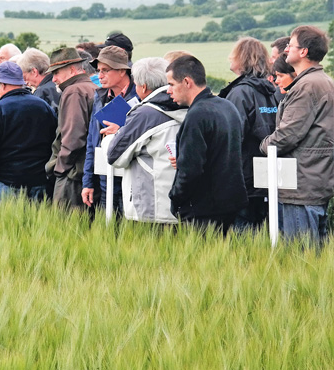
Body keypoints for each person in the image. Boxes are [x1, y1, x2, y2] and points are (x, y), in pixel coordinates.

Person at [259, 25, 334, 243]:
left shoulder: (307, 86)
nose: (285, 51)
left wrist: (264, 145)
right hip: (316, 179)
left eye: (290, 46)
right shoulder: (324, 81)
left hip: (300, 185)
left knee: (299, 255)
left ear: (303, 52)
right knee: (315, 260)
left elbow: (286, 136)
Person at [166, 55, 247, 233]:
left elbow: (191, 169)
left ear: (187, 82)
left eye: (171, 84)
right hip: (231, 204)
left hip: (202, 210)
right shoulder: (227, 106)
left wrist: (176, 198)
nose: (168, 91)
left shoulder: (197, 114)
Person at [105, 57, 187, 223]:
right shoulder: (190, 105)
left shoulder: (145, 115)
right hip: (184, 205)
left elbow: (115, 156)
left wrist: (116, 134)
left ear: (143, 86)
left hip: (150, 208)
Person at [218, 37, 278, 229]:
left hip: (243, 178)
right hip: (265, 177)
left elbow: (233, 136)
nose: (229, 57)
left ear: (243, 59)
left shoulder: (240, 93)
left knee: (242, 235)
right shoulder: (271, 92)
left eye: (233, 54)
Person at [0, 62, 56, 201]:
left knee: (10, 223)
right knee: (37, 223)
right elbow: (54, 141)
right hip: (40, 182)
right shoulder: (43, 106)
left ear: (3, 85)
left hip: (7, 183)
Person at [81, 45, 139, 212]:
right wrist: (88, 182)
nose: (100, 75)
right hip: (105, 178)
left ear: (122, 70)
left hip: (132, 179)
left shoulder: (140, 97)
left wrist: (121, 130)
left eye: (106, 70)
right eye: (99, 70)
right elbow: (92, 142)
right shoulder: (99, 98)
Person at [44, 47, 98, 210]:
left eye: (56, 73)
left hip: (72, 176)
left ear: (72, 69)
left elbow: (73, 139)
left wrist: (59, 168)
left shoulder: (73, 91)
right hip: (88, 174)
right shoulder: (92, 88)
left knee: (65, 227)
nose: (53, 79)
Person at [19, 47, 59, 113]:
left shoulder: (41, 93)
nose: (25, 83)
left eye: (25, 78)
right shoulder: (61, 85)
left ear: (34, 72)